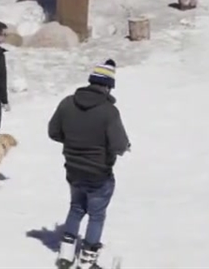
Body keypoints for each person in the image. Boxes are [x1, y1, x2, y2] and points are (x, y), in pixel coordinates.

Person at [48, 60, 131, 269]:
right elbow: (119, 145)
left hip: (73, 170)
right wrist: (123, 147)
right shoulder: (109, 111)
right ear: (108, 86)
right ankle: (87, 259)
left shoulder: (67, 102)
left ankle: (66, 255)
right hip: (98, 173)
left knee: (76, 207)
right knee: (96, 214)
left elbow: (53, 132)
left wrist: (74, 142)